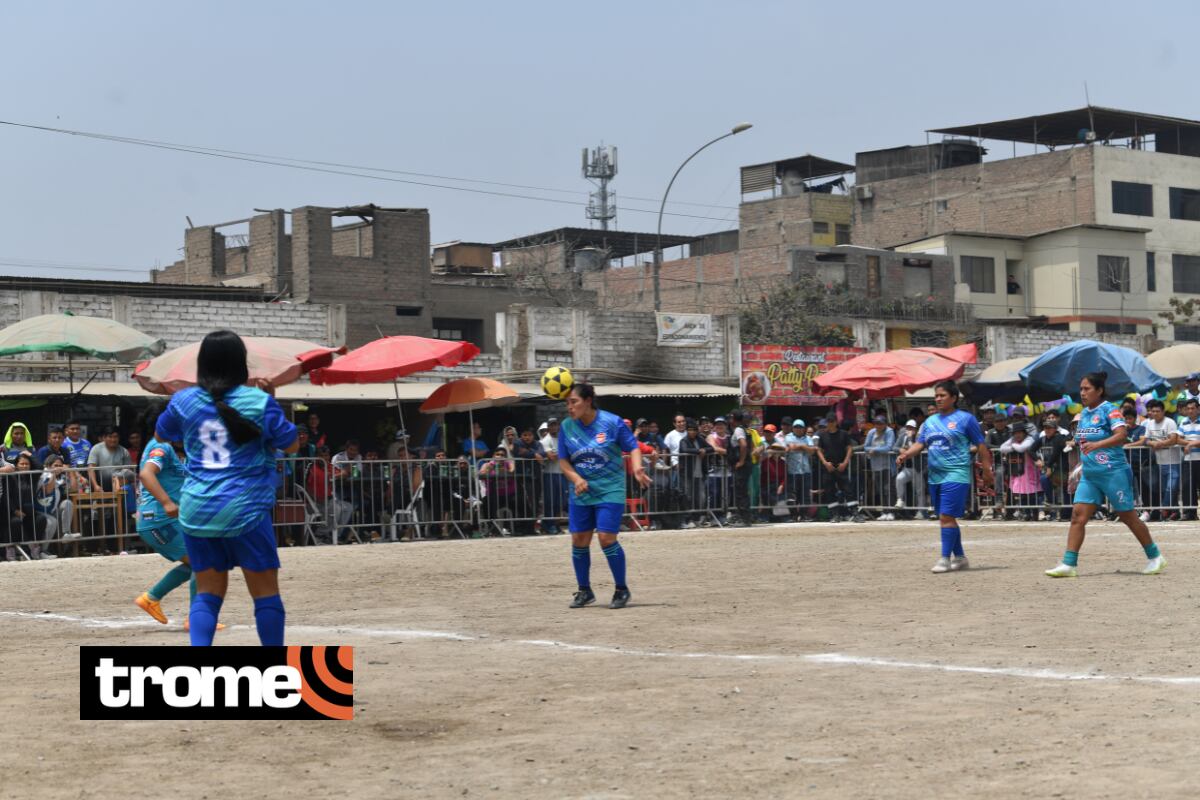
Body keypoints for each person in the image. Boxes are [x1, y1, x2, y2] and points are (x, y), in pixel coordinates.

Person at [155, 330, 299, 646]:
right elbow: (290, 445)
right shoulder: (259, 401)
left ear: (203, 363)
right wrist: (271, 403)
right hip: (245, 509)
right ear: (240, 364)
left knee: (207, 593)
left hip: (197, 510)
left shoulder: (183, 400)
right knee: (265, 595)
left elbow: (162, 435)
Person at [1045, 372, 1166, 578]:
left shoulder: (1111, 411)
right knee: (1077, 516)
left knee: (1127, 516)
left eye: (1087, 389)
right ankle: (1069, 564)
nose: (1082, 393)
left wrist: (1098, 444)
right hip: (1090, 475)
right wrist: (1080, 464)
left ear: (1099, 390)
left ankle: (1155, 556)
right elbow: (1083, 442)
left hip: (1113, 472)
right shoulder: (1082, 414)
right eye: (1081, 389)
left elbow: (1121, 435)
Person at [557, 382, 650, 609]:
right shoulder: (567, 426)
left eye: (574, 402)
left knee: (606, 538)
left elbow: (633, 447)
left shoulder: (611, 422)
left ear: (588, 401)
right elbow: (563, 461)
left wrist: (637, 468)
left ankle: (621, 589)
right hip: (581, 490)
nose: (569, 407)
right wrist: (577, 479)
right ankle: (584, 591)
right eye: (567, 403)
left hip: (610, 488)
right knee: (579, 540)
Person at [895, 380, 993, 573]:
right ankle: (961, 558)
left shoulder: (966, 419)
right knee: (946, 517)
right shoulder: (929, 422)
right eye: (936, 396)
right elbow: (921, 444)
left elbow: (981, 445)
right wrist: (906, 454)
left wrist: (987, 470)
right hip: (935, 476)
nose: (938, 399)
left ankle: (944, 559)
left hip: (957, 473)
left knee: (946, 516)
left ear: (954, 398)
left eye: (942, 395)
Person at [133, 402, 210, 631]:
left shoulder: (170, 449)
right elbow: (146, 474)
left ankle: (151, 598)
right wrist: (166, 502)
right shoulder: (159, 447)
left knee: (198, 562)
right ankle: (196, 620)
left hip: (166, 520)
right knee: (202, 562)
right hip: (158, 519)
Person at [1141, 399, 1182, 520]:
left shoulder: (1170, 422)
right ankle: (1173, 512)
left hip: (1173, 461)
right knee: (1164, 489)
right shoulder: (1149, 424)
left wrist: (1160, 444)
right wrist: (1152, 443)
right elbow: (1145, 440)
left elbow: (1173, 439)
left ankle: (1164, 509)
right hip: (1159, 462)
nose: (1155, 413)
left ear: (1163, 411)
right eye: (1153, 411)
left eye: (1157, 411)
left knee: (1172, 487)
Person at [817, 414, 859, 522]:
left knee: (848, 490)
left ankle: (855, 513)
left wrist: (845, 463)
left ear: (836, 422)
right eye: (828, 421)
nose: (830, 423)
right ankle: (834, 515)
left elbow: (849, 449)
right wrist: (825, 463)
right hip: (828, 467)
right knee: (830, 492)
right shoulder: (822, 435)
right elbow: (819, 450)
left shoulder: (843, 434)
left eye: (832, 421)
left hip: (841, 466)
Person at [1000, 426, 1040, 520]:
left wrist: (1012, 446)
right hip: (1018, 469)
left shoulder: (1029, 439)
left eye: (1019, 432)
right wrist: (1014, 446)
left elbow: (1022, 448)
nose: (1017, 435)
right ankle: (1026, 513)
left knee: (1032, 493)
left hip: (1030, 469)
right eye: (1015, 433)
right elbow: (1002, 448)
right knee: (1021, 493)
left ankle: (1034, 514)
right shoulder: (1013, 439)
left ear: (1024, 432)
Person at [677, 418, 711, 529]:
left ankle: (696, 518)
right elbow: (684, 449)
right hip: (687, 474)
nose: (692, 432)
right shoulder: (683, 441)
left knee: (700, 497)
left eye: (694, 430)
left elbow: (711, 448)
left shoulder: (700, 439)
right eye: (690, 430)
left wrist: (704, 450)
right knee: (687, 496)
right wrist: (699, 451)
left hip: (699, 473)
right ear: (687, 431)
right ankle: (686, 520)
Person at [782, 417, 816, 521]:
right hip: (792, 470)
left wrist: (801, 446)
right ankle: (793, 515)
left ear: (804, 428)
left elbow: (812, 451)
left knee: (805, 494)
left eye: (800, 427)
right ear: (793, 428)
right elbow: (791, 447)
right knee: (792, 495)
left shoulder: (808, 438)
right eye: (796, 427)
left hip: (805, 470)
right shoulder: (788, 437)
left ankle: (804, 515)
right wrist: (805, 447)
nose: (798, 429)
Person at [864, 415, 896, 518]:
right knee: (880, 490)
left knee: (888, 489)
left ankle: (891, 511)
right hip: (875, 465)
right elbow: (865, 447)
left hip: (887, 465)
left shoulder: (889, 431)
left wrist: (875, 450)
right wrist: (874, 449)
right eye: (876, 423)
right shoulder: (871, 432)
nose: (878, 425)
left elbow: (889, 446)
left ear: (885, 424)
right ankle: (884, 512)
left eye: (880, 423)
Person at [893, 418, 926, 517]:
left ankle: (921, 511)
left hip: (918, 468)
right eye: (907, 427)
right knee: (899, 479)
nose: (909, 429)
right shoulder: (903, 436)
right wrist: (900, 450)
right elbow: (894, 447)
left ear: (915, 429)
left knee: (919, 490)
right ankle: (900, 499)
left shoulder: (919, 437)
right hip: (907, 468)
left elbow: (918, 449)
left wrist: (911, 439)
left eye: (911, 428)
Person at [539, 418, 567, 534]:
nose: (554, 427)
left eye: (555, 425)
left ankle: (555, 523)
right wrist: (564, 453)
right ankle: (549, 524)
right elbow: (552, 457)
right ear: (548, 427)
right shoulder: (546, 440)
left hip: (561, 473)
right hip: (550, 474)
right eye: (551, 425)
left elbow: (558, 455)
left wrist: (560, 454)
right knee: (550, 501)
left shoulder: (561, 438)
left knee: (561, 502)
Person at [727, 410, 753, 527]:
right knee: (742, 491)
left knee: (740, 492)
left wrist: (741, 461)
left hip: (742, 466)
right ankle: (744, 517)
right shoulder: (745, 429)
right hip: (746, 464)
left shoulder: (738, 429)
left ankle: (744, 519)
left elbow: (743, 445)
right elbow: (750, 446)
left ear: (734, 419)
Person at [86, 427, 133, 492]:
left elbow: (128, 471)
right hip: (100, 485)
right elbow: (91, 468)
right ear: (104, 438)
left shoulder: (124, 451)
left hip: (119, 486)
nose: (113, 439)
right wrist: (95, 485)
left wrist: (120, 485)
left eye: (115, 437)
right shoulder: (96, 449)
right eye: (110, 437)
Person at [1179, 398, 1200, 520]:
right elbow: (1177, 438)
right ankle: (1189, 513)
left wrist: (1190, 444)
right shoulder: (1183, 422)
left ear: (1198, 409)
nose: (1190, 411)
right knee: (1188, 486)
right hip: (1188, 459)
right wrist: (1190, 443)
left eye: (1193, 408)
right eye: (1188, 408)